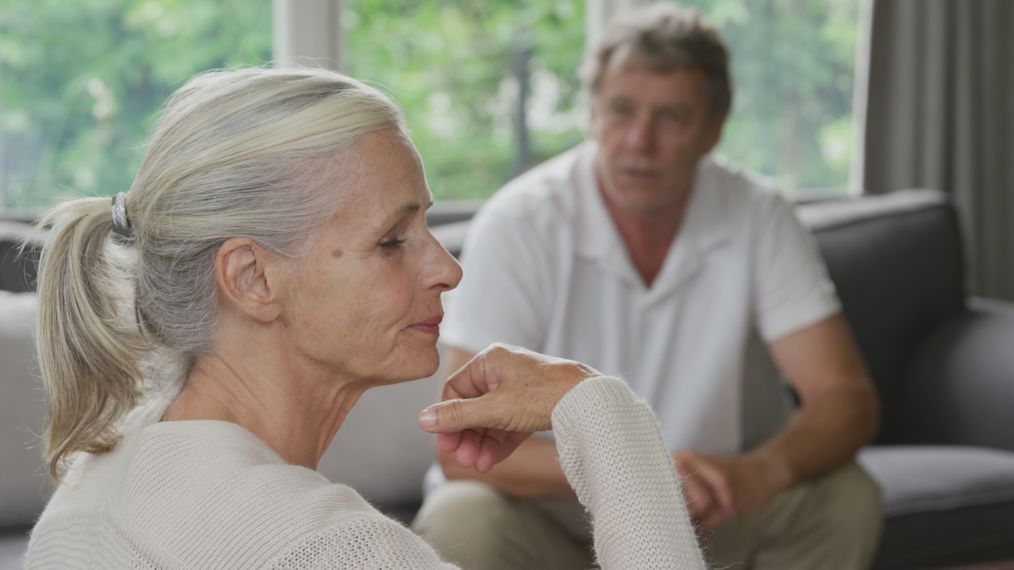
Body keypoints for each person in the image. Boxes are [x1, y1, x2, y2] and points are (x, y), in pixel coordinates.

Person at [24, 67, 708, 569]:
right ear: (253, 278)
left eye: (428, 226)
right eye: (392, 240)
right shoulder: (326, 547)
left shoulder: (96, 481)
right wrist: (605, 415)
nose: (447, 269)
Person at [414, 3, 884, 569]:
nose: (640, 140)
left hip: (711, 510)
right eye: (621, 110)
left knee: (846, 497)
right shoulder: (520, 221)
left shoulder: (758, 213)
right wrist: (640, 472)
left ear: (713, 130)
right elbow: (462, 450)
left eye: (672, 117)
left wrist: (764, 470)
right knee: (459, 518)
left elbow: (845, 399)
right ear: (591, 114)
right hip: (551, 525)